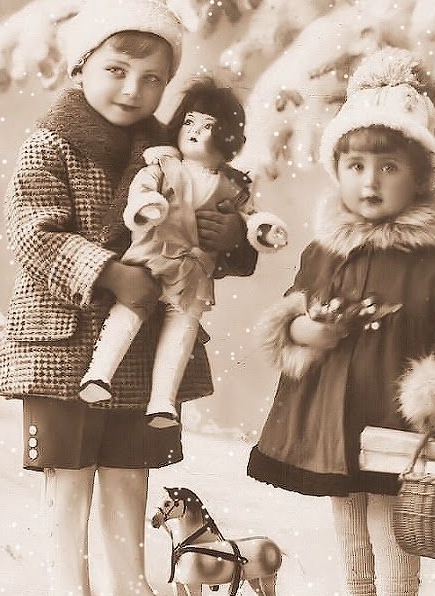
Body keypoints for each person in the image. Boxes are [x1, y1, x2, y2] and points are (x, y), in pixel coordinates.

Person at [0, 0, 257, 596]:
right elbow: (31, 232)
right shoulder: (50, 143)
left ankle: (127, 589)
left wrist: (225, 235)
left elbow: (194, 241)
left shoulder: (171, 157)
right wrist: (106, 271)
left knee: (127, 466)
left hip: (137, 349)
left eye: (152, 79)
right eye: (116, 70)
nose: (133, 90)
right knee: (70, 468)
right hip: (63, 338)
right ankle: (69, 593)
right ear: (82, 63)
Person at [247, 48, 435, 596]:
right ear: (338, 171)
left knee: (392, 514)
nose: (369, 182)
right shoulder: (324, 251)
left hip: (393, 412)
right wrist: (305, 331)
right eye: (355, 166)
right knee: (348, 509)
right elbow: (295, 306)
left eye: (389, 166)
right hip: (334, 410)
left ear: (420, 177)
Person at [79, 78, 288, 427]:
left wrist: (259, 229)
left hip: (193, 272)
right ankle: (98, 374)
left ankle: (163, 401)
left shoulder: (232, 185)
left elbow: (250, 215)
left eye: (207, 126)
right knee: (129, 310)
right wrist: (147, 206)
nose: (193, 131)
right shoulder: (162, 166)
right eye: (189, 122)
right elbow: (142, 190)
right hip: (154, 256)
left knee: (182, 329)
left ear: (227, 137)